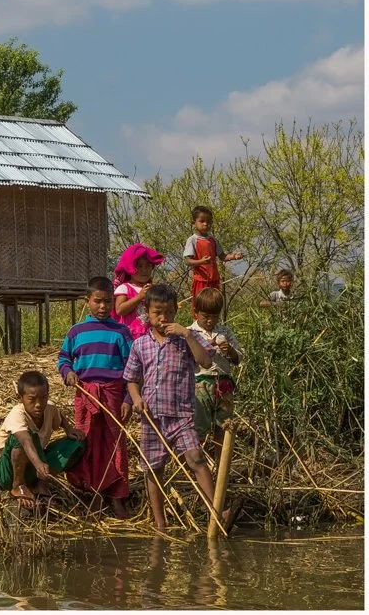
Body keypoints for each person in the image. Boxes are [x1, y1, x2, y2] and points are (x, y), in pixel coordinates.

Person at [122, 283, 216, 532]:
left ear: (176, 312)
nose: (163, 318)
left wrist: (187, 334)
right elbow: (131, 379)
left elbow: (205, 361)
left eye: (168, 313)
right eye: (157, 312)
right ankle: (160, 523)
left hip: (182, 414)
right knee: (154, 469)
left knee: (196, 458)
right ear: (148, 313)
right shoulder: (140, 345)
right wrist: (136, 398)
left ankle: (216, 513)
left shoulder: (185, 340)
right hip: (152, 417)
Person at [57, 276, 133, 518]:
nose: (102, 307)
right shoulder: (76, 331)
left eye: (108, 302)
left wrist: (128, 400)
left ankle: (117, 495)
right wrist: (68, 373)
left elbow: (133, 368)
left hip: (113, 395)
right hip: (86, 395)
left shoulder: (121, 332)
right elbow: (63, 359)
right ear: (87, 301)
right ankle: (91, 492)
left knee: (114, 445)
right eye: (97, 301)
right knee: (86, 441)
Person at [0, 371, 85, 508]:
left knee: (76, 444)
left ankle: (41, 484)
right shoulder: (17, 415)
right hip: (9, 472)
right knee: (23, 437)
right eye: (31, 399)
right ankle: (18, 485)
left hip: (34, 465)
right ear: (21, 398)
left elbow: (58, 415)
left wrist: (69, 429)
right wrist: (38, 464)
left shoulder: (49, 408)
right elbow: (25, 441)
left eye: (43, 398)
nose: (38, 404)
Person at [191, 288, 242, 465]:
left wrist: (231, 351)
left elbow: (238, 359)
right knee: (198, 428)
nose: (210, 321)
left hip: (223, 385)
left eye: (215, 316)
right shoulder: (190, 333)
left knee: (224, 426)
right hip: (199, 385)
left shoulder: (225, 332)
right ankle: (196, 465)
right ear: (196, 312)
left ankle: (222, 466)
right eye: (206, 316)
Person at [183, 206, 244, 317]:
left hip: (214, 279)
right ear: (194, 222)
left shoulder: (212, 240)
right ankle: (198, 329)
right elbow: (187, 260)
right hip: (201, 279)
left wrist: (234, 256)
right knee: (200, 306)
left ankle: (213, 327)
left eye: (209, 222)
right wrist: (200, 262)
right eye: (202, 221)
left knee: (214, 306)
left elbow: (223, 256)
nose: (206, 224)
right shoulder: (193, 240)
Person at [112, 243, 165, 340]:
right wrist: (139, 296)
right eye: (139, 266)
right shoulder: (124, 288)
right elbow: (119, 310)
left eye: (148, 266)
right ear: (130, 268)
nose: (144, 270)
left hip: (151, 336)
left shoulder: (153, 289)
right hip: (129, 336)